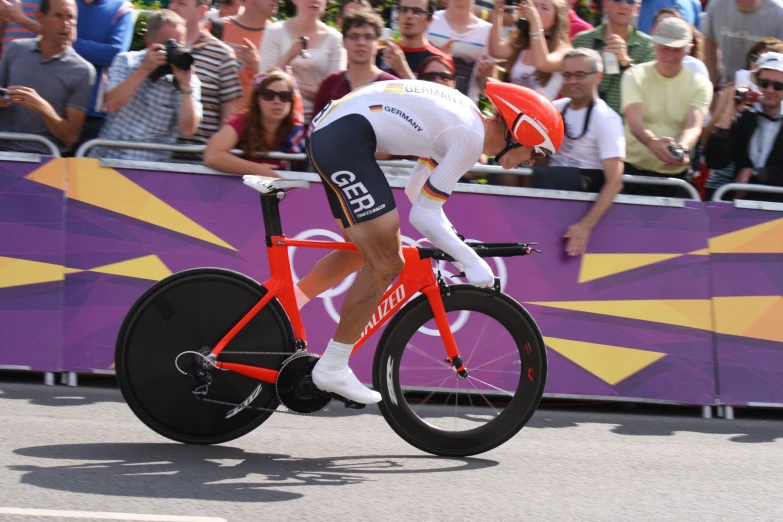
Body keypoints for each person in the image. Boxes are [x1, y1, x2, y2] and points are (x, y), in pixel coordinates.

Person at [261, 80, 563, 404]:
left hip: (336, 132)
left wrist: (456, 246)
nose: (533, 162)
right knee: (387, 262)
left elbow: (416, 191)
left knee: (361, 254)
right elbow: (423, 214)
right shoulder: (469, 139)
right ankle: (332, 367)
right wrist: (473, 262)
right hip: (344, 139)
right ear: (524, 133)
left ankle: (277, 311)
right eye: (538, 153)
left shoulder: (466, 123)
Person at [87, 10, 202, 161]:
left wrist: (185, 86)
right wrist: (144, 69)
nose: (175, 51)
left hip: (149, 170)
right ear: (149, 43)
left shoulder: (189, 80)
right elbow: (111, 105)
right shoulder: (126, 62)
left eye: (180, 45)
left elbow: (187, 131)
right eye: (169, 45)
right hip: (107, 159)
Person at [621, 17, 712, 196]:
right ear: (654, 45)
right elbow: (635, 123)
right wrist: (652, 143)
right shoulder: (634, 75)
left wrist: (682, 147)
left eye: (676, 49)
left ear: (689, 49)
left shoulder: (701, 84)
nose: (670, 56)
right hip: (631, 173)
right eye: (665, 48)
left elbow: (694, 126)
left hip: (676, 179)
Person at [548, 49, 624, 255]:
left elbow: (615, 181)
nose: (572, 81)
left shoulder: (606, 119)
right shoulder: (553, 108)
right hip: (550, 189)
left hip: (583, 189)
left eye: (580, 75)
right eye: (567, 75)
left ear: (598, 76)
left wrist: (585, 226)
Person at [0, 0, 95, 155]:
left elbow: (71, 137)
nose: (66, 24)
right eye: (58, 16)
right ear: (40, 17)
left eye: (71, 17)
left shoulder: (83, 71)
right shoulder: (15, 49)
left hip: (45, 161)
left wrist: (43, 108)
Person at [705, 52, 783, 200]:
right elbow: (715, 161)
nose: (770, 90)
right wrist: (728, 115)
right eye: (764, 83)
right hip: (741, 207)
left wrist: (755, 173)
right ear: (757, 83)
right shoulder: (744, 115)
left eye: (778, 86)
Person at [169, 0, 243, 149]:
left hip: (196, 160)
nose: (172, 7)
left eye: (181, 3)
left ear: (202, 11)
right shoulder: (159, 44)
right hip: (152, 155)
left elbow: (229, 116)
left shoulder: (222, 54)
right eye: (171, 2)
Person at [259, 0, 346, 123]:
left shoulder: (335, 39)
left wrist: (291, 88)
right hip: (279, 120)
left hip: (320, 121)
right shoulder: (274, 32)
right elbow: (263, 83)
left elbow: (334, 92)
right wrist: (287, 57)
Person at [204, 68, 304, 174]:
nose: (277, 101)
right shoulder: (242, 120)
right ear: (257, 99)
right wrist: (256, 169)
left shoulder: (296, 131)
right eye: (268, 95)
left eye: (284, 96)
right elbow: (212, 155)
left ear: (291, 101)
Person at [572, 0, 655, 115]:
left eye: (630, 1)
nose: (623, 5)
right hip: (585, 122)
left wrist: (625, 62)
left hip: (627, 127)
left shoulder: (649, 46)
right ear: (605, 5)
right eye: (617, 0)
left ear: (637, 10)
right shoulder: (582, 40)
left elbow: (649, 89)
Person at [312, 9, 397, 118]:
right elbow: (314, 130)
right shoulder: (330, 84)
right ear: (344, 41)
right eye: (354, 36)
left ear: (378, 43)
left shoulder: (392, 86)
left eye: (368, 37)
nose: (361, 43)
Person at [489, 0, 571, 101]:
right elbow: (496, 51)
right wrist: (498, 13)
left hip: (539, 114)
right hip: (512, 110)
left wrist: (535, 22)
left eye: (544, 8)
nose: (536, 12)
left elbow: (542, 63)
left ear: (556, 19)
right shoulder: (522, 41)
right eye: (534, 7)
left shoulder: (564, 50)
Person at [703, 0, 783, 88]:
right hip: (725, 85)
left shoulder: (779, 14)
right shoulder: (717, 5)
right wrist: (712, 86)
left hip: (765, 89)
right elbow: (709, 44)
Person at [377, 0, 453, 79]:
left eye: (417, 11)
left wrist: (403, 71)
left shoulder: (440, 61)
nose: (408, 15)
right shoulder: (378, 54)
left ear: (429, 19)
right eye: (403, 10)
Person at [651, 6, 707, 78]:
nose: (668, 29)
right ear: (652, 32)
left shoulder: (695, 67)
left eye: (674, 24)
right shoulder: (642, 70)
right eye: (662, 24)